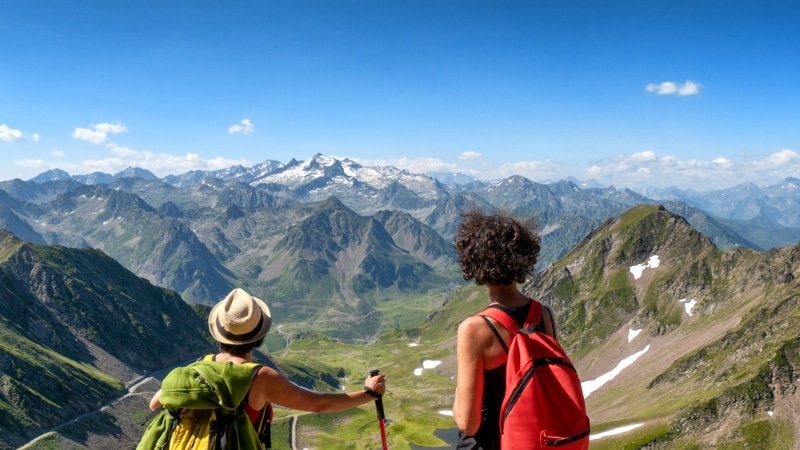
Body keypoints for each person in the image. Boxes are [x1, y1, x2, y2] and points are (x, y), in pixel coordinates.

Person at [148, 288, 386, 433]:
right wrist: (369, 393)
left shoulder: (201, 366)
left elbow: (155, 404)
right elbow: (319, 404)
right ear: (259, 337)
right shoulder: (259, 377)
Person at [452, 210, 556, 450]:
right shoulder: (544, 315)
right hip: (534, 442)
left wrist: (457, 402)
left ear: (474, 261)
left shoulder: (474, 329)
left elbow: (468, 423)